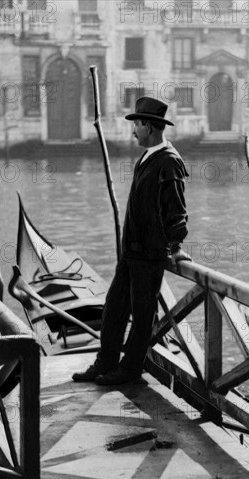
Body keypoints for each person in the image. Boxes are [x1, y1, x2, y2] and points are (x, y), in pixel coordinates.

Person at [73, 96, 190, 385]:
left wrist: (174, 247)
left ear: (150, 127)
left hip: (150, 256)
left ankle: (130, 369)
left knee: (141, 317)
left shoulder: (169, 162)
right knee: (113, 309)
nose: (133, 131)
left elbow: (176, 211)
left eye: (137, 125)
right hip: (131, 254)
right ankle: (106, 361)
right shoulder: (148, 157)